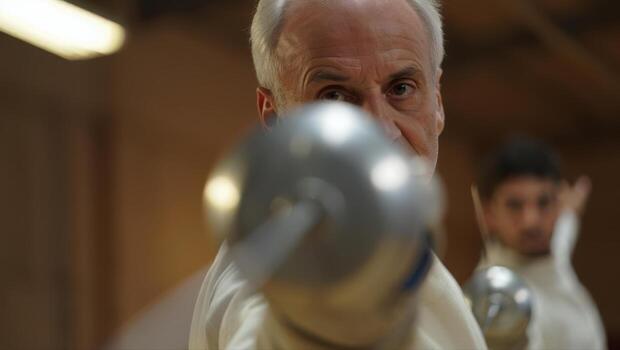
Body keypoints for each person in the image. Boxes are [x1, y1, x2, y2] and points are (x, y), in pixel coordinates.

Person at [189, 0, 487, 348]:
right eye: (334, 96)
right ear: (274, 119)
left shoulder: (390, 252)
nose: (381, 130)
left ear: (437, 101)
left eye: (401, 88)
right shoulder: (280, 275)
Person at [476, 137, 607, 349]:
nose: (531, 221)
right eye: (514, 205)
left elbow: (564, 231)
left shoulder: (555, 254)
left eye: (544, 202)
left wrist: (570, 215)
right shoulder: (494, 297)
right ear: (488, 213)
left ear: (559, 203)